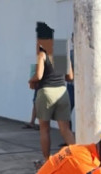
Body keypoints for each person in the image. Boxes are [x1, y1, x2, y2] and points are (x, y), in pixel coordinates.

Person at [31, 22, 75, 160]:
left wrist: (31, 80)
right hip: (62, 92)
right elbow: (70, 77)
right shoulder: (61, 53)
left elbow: (39, 75)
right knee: (65, 129)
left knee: (44, 129)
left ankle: (47, 160)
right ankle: (78, 157)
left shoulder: (43, 54)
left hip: (46, 92)